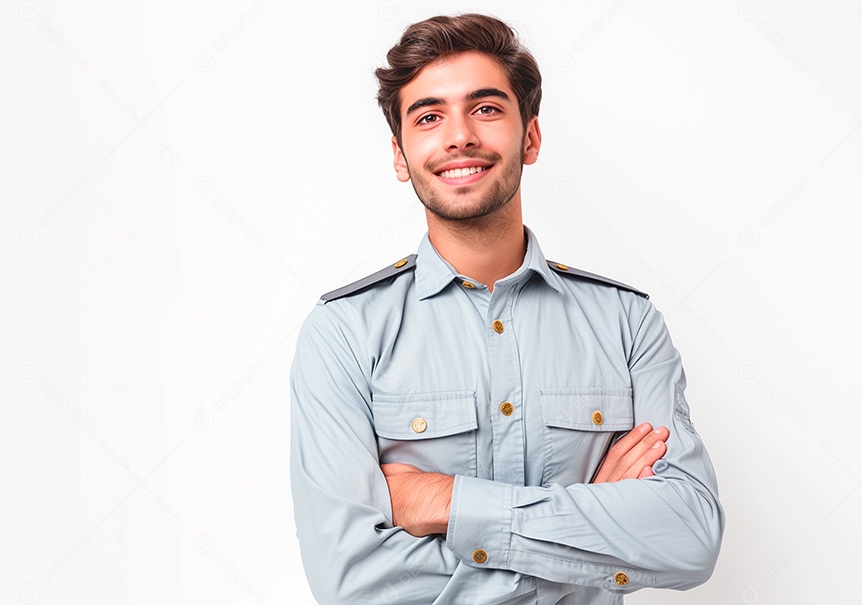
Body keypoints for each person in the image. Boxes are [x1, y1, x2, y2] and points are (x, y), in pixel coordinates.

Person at [289, 13, 724, 605]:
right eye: (429, 117)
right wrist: (592, 538)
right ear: (400, 155)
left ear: (531, 137)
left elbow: (689, 537)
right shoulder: (342, 333)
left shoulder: (628, 324)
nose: (459, 136)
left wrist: (444, 501)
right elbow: (353, 584)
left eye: (487, 108)